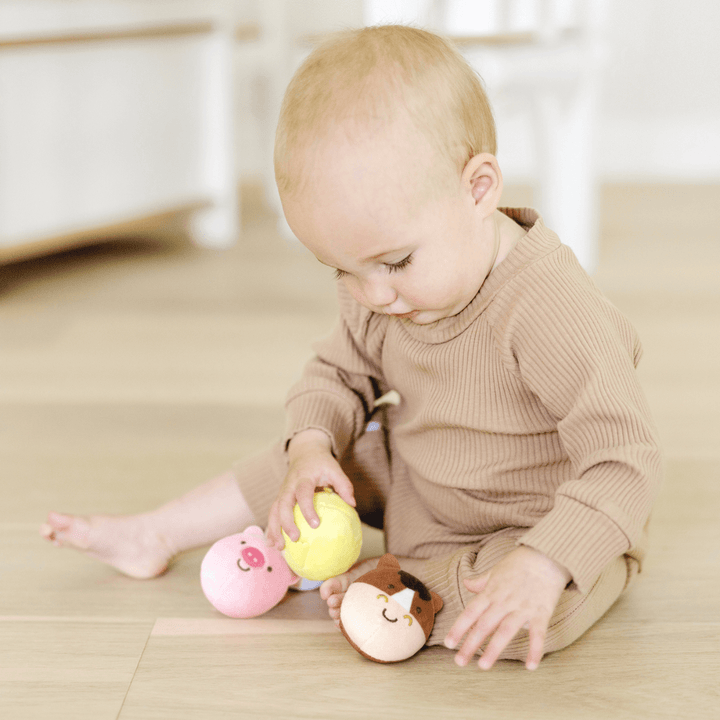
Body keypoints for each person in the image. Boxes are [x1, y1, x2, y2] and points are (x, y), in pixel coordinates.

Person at [41, 25, 662, 671]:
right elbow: (335, 374)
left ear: (479, 189)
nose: (374, 295)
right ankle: (156, 533)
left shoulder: (550, 309)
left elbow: (626, 458)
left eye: (394, 262)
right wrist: (309, 451)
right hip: (418, 478)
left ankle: (408, 583)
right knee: (302, 466)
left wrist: (545, 560)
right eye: (341, 270)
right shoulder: (382, 286)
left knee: (533, 612)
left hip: (531, 521)